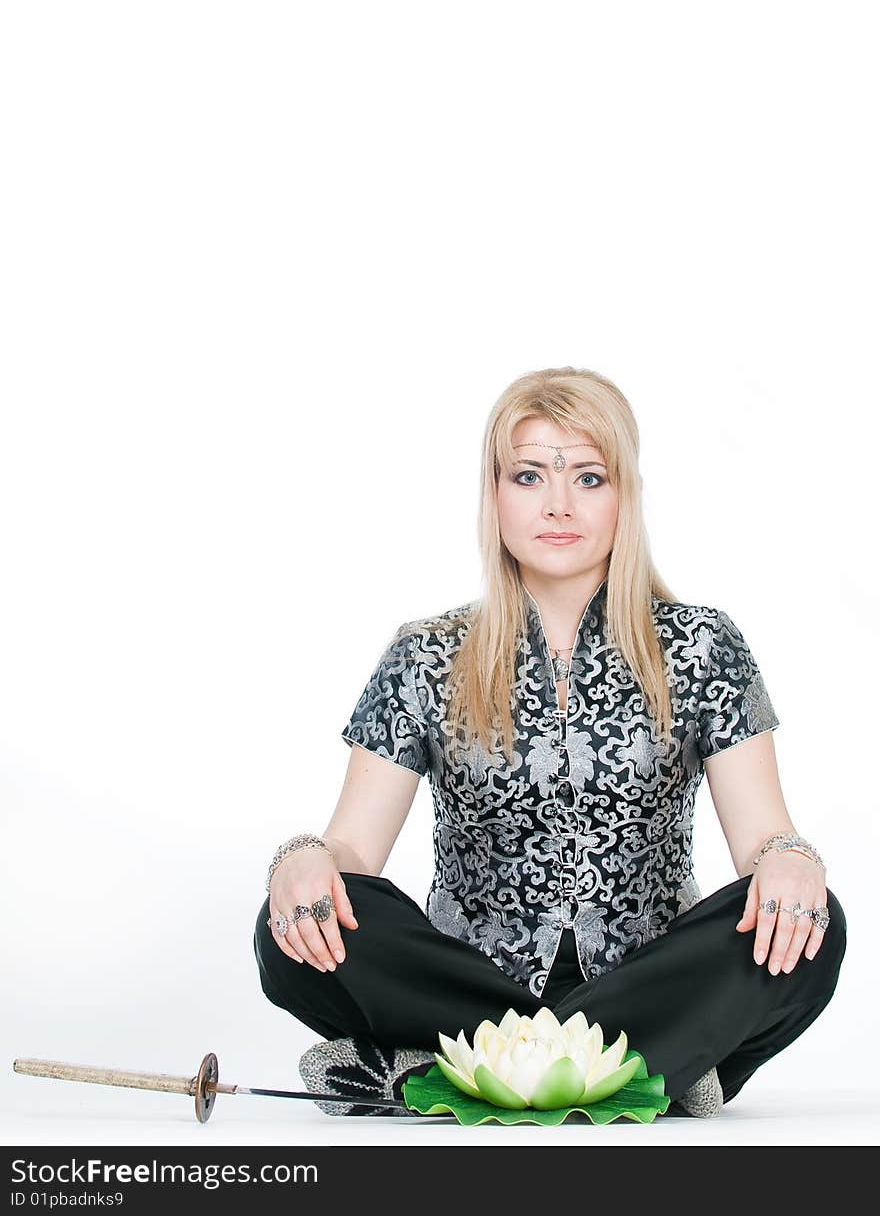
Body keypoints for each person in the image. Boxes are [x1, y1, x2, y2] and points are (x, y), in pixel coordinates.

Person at [253, 366, 846, 1119]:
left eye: (589, 477)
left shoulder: (702, 645)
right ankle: (642, 1072)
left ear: (624, 495)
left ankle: (453, 1071)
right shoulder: (425, 654)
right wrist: (304, 858)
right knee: (290, 930)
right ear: (494, 494)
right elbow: (352, 857)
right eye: (530, 475)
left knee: (812, 925)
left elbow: (764, 840)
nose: (558, 504)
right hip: (469, 987)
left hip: (650, 979)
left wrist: (792, 862)